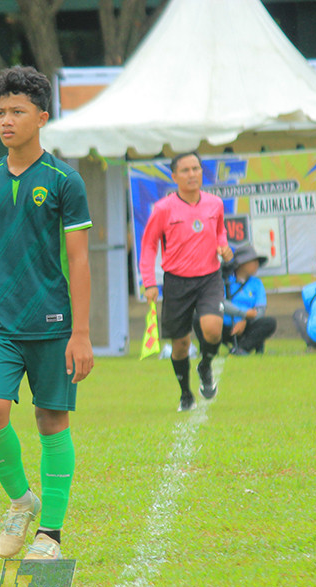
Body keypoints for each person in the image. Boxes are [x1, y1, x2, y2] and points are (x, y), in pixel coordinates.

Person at [0, 66, 93, 562]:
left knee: (50, 419)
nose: (7, 120)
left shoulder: (65, 180)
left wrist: (80, 333)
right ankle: (21, 501)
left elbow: (79, 259)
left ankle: (50, 536)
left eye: (17, 111)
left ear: (42, 117)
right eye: (0, 112)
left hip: (52, 323)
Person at [139, 152, 232, 412]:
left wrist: (224, 247)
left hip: (209, 278)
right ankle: (185, 393)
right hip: (177, 281)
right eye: (186, 170)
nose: (192, 174)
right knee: (180, 346)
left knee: (213, 329)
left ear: (202, 172)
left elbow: (220, 232)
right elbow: (148, 246)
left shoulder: (215, 204)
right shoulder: (163, 209)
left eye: (196, 169)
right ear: (174, 176)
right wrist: (149, 282)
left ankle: (205, 365)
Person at [220, 243, 277, 355]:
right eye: (252, 261)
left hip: (246, 326)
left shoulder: (257, 283)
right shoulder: (224, 281)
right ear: (241, 264)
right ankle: (207, 351)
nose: (256, 264)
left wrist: (245, 321)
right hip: (224, 326)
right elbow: (220, 304)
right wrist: (243, 313)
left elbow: (260, 309)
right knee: (199, 318)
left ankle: (242, 349)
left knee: (270, 322)